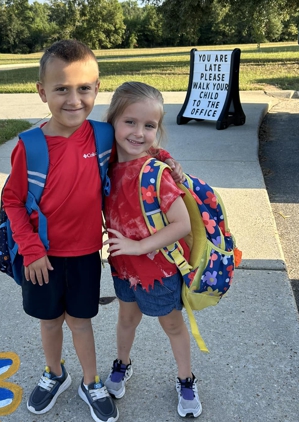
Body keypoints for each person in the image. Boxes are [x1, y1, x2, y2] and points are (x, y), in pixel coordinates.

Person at [2, 41, 181, 422]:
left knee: (80, 322)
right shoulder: (29, 146)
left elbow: (138, 145)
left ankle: (90, 380)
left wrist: (166, 158)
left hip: (84, 254)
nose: (73, 99)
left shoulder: (101, 136)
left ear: (97, 89)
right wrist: (31, 249)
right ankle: (54, 373)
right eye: (61, 88)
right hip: (42, 258)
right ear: (42, 92)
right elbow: (13, 201)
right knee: (49, 321)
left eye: (84, 88)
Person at [102, 81, 203, 418]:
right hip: (123, 270)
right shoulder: (106, 165)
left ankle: (186, 379)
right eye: (130, 122)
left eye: (149, 126)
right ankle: (122, 364)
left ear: (158, 130)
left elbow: (182, 224)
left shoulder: (156, 175)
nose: (139, 132)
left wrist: (138, 245)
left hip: (157, 271)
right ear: (112, 121)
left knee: (172, 325)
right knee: (126, 318)